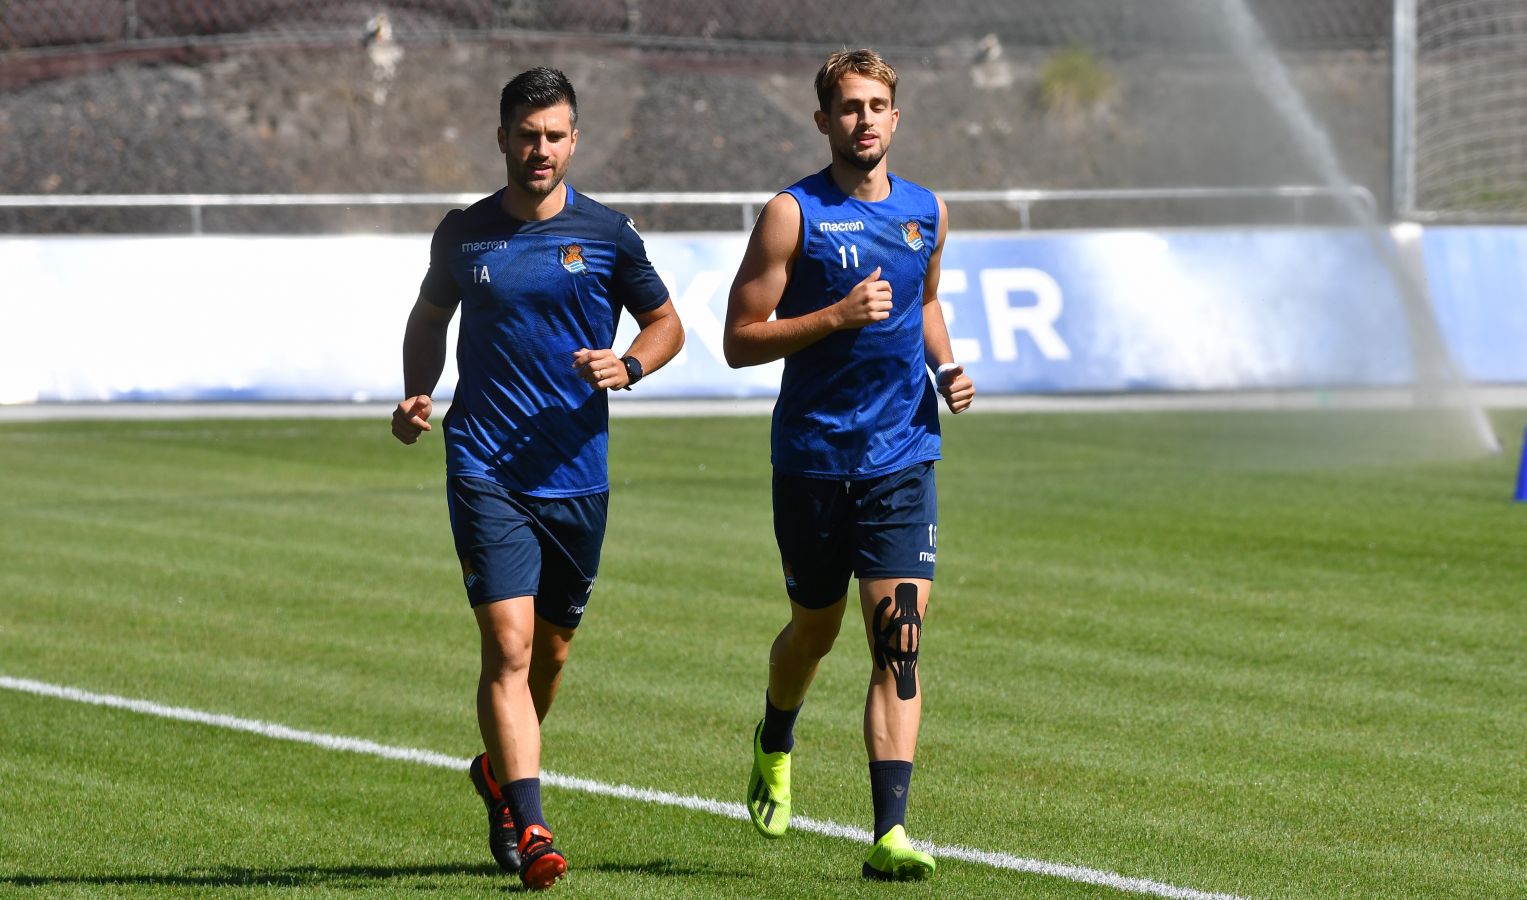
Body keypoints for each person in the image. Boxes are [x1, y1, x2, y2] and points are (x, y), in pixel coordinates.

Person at [391, 66, 683, 891]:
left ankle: (496, 774)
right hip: (484, 464)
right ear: (502, 139)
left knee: (550, 653)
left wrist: (629, 364)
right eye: (527, 135)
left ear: (573, 140)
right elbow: (428, 317)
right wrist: (419, 390)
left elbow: (667, 322)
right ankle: (532, 822)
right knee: (509, 645)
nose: (541, 149)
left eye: (555, 135)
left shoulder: (609, 234)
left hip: (576, 475)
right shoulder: (465, 235)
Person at [723, 48, 975, 881]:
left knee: (897, 639)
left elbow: (927, 301)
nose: (863, 120)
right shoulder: (791, 215)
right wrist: (832, 315)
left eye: (876, 106)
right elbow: (738, 340)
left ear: (895, 118)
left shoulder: (925, 212)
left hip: (903, 452)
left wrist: (944, 367)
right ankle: (775, 733)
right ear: (822, 119)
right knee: (814, 630)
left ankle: (888, 835)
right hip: (813, 460)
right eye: (847, 107)